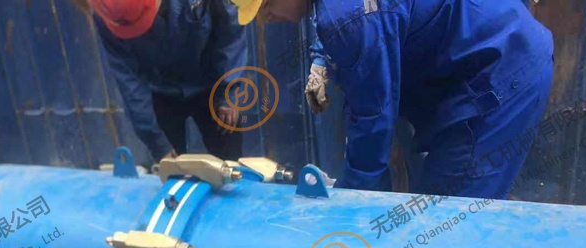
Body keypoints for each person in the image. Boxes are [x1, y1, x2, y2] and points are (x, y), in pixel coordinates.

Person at [232, 0, 554, 199]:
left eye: (267, 5)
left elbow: (373, 119)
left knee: (448, 222)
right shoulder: (343, 15)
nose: (267, 18)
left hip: (501, 74)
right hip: (487, 55)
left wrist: (354, 202)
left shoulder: (347, 17)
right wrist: (321, 56)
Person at [88, 0, 248, 163]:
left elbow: (230, 34)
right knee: (169, 167)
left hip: (212, 82)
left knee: (230, 164)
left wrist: (229, 91)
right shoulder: (108, 15)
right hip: (160, 88)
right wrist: (156, 142)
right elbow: (129, 78)